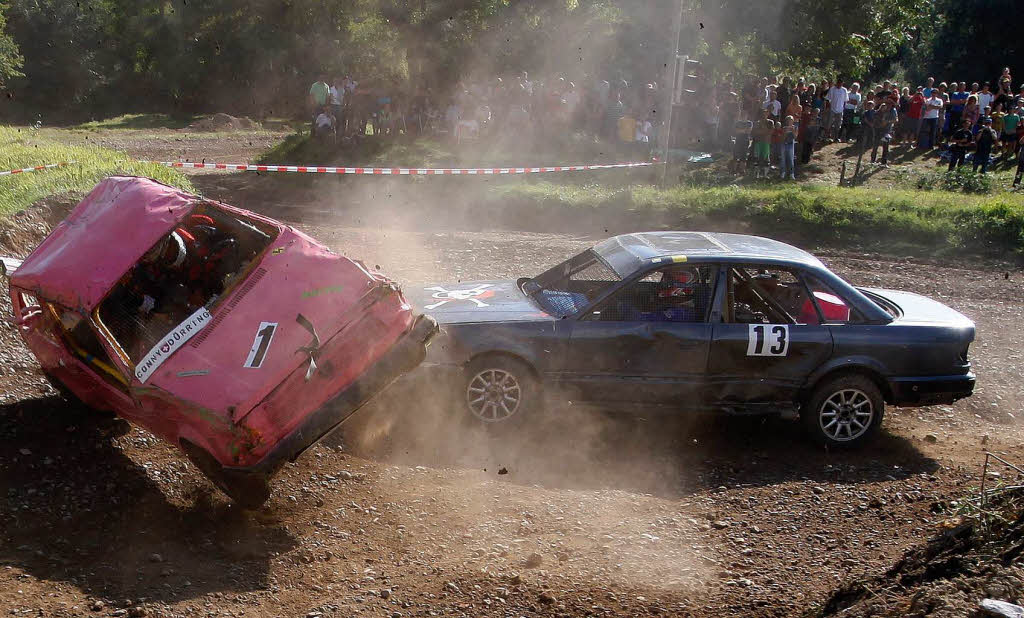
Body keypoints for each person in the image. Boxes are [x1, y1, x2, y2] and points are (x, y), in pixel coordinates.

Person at [871, 101, 897, 166]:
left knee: (885, 147)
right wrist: (883, 122)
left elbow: (894, 120)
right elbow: (877, 123)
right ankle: (872, 160)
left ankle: (884, 162)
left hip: (886, 132)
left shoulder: (888, 114)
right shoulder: (877, 114)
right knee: (875, 146)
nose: (884, 109)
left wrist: (887, 121)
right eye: (883, 107)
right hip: (878, 131)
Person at [780, 115, 796, 180]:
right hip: (784, 144)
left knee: (791, 159)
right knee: (783, 159)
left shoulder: (795, 127)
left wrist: (793, 131)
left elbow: (795, 137)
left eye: (791, 120)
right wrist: (785, 132)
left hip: (791, 144)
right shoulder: (784, 128)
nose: (790, 121)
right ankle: (783, 173)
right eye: (789, 120)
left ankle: (792, 174)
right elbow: (782, 138)